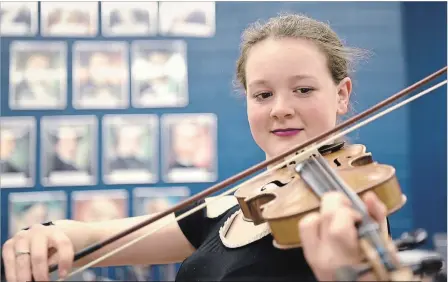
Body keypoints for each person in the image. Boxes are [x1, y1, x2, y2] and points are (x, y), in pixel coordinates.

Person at [2, 13, 399, 282]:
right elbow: (92, 238)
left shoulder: (346, 206)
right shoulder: (226, 209)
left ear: (342, 94)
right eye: (262, 94)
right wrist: (45, 235)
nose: (280, 109)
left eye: (303, 89)